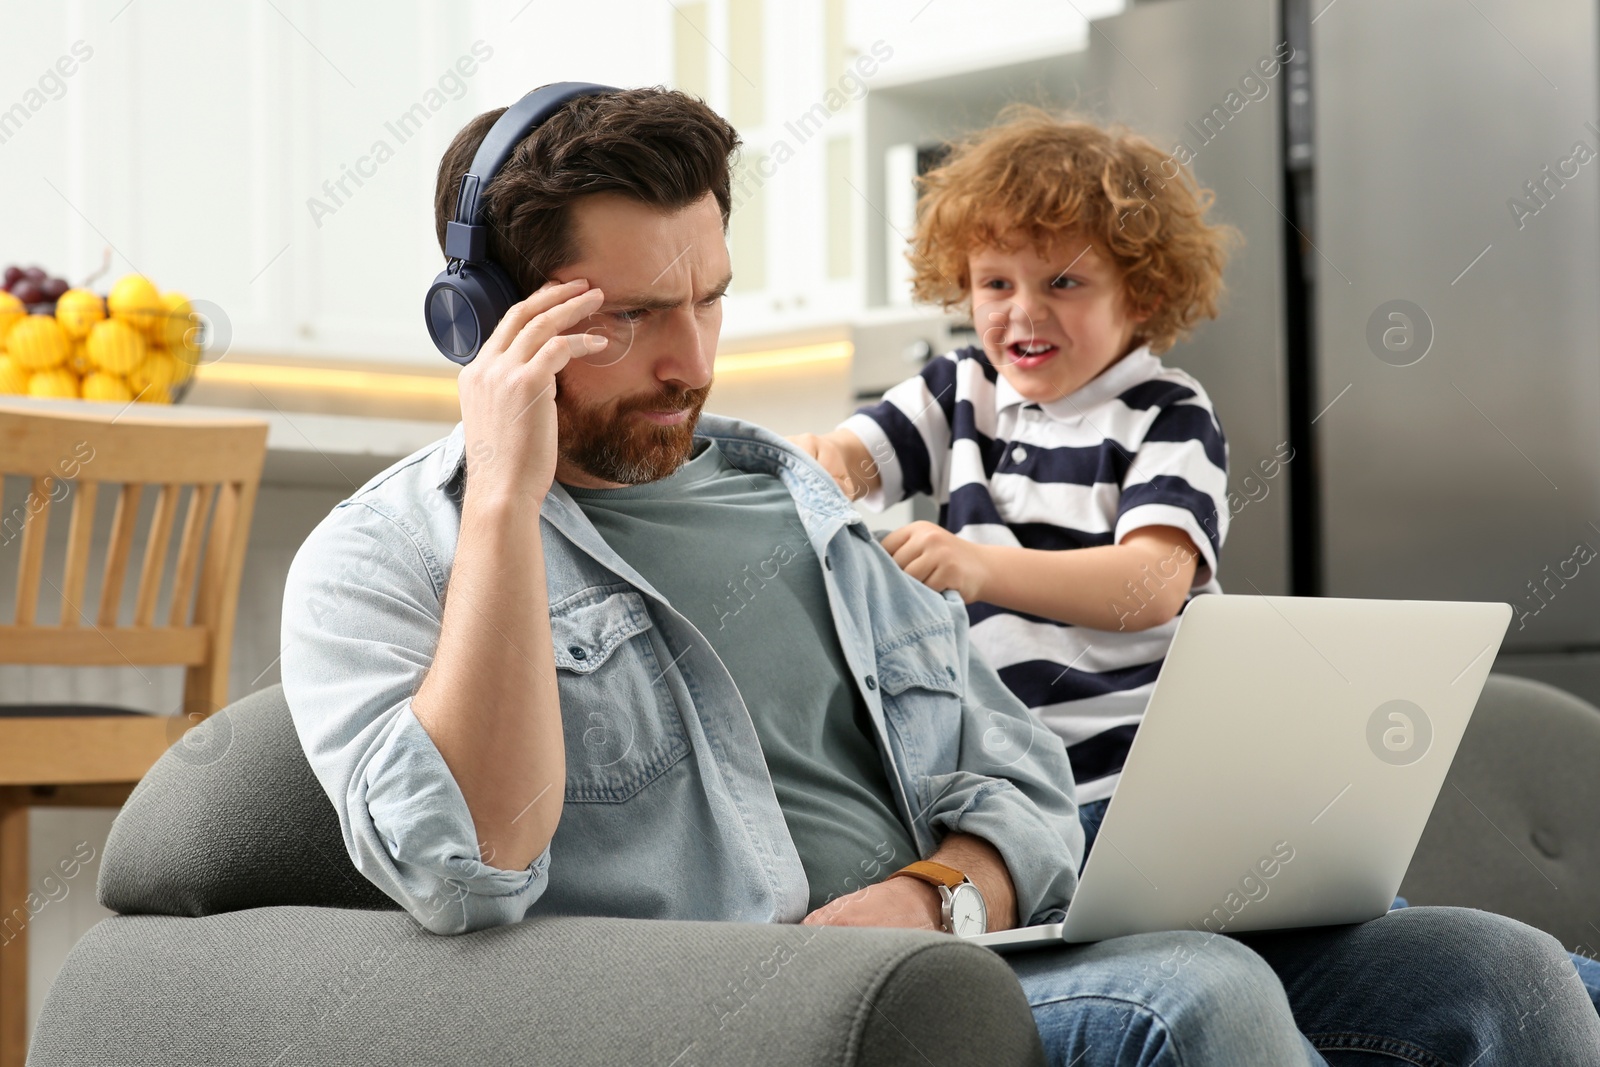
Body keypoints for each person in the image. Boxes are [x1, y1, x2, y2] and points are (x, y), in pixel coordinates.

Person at [278, 85, 1600, 1065]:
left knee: (1504, 969)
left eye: (712, 299)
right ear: (482, 322)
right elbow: (469, 867)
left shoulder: (797, 495)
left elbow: (1020, 777)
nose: (690, 359)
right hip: (768, 1001)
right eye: (627, 317)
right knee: (1202, 995)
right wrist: (507, 493)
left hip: (967, 944)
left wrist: (940, 888)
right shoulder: (383, 560)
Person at [789, 107, 1239, 856]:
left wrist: (979, 567)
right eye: (996, 282)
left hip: (1159, 780)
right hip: (1026, 791)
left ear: (1144, 294)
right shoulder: (960, 389)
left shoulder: (1165, 413)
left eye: (1063, 281)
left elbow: (1153, 582)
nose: (1024, 311)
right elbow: (850, 458)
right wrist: (820, 462)